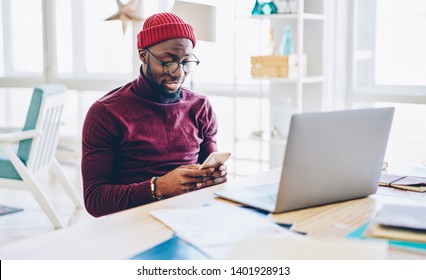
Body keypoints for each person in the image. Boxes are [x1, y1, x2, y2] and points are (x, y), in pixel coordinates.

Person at [81, 12, 227, 217]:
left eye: (186, 62)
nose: (178, 73)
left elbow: (207, 171)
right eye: (168, 62)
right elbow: (95, 200)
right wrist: (158, 187)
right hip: (133, 224)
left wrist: (215, 177)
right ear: (143, 56)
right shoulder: (106, 113)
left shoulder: (200, 107)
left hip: (191, 218)